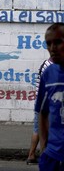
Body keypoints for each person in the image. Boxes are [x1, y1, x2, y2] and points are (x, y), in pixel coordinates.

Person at [35, 23, 64, 171]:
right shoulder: (48, 74)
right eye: (48, 43)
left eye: (58, 42)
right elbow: (42, 112)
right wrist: (44, 146)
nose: (52, 48)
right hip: (52, 156)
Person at [26, 58, 53, 165]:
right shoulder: (50, 66)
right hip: (45, 101)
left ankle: (32, 155)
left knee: (38, 129)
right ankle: (41, 156)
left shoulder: (46, 64)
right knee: (43, 130)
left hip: (41, 100)